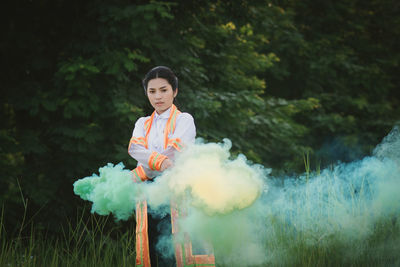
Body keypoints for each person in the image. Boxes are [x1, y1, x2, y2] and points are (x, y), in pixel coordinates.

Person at [128, 66, 196, 266]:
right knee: (152, 246)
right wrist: (160, 163)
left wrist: (144, 168)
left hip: (176, 190)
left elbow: (173, 154)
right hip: (148, 192)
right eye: (152, 91)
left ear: (175, 91)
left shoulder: (184, 120)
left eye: (164, 90)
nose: (158, 96)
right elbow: (134, 148)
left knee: (177, 248)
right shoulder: (142, 123)